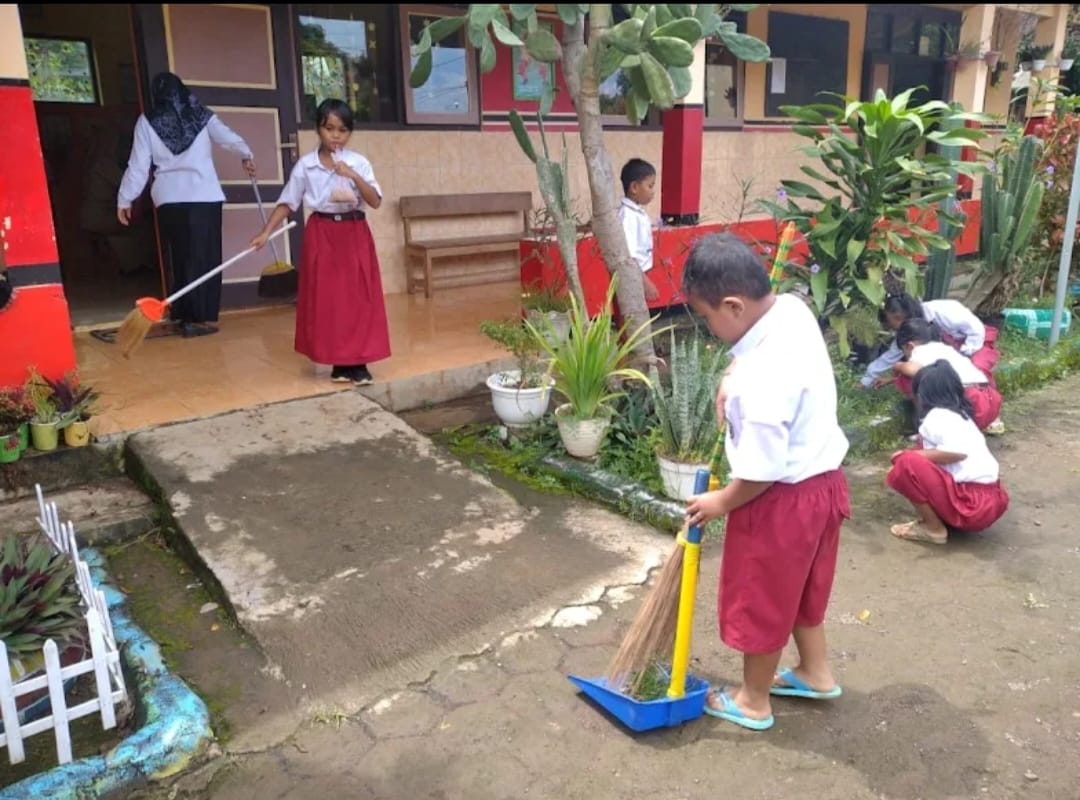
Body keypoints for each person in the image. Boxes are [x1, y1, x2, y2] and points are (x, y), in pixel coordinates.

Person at [682, 232, 851, 732]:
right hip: (824, 486)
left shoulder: (760, 384)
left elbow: (760, 472)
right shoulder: (790, 310)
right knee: (801, 589)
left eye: (707, 317)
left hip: (780, 502)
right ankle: (815, 671)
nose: (709, 328)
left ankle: (753, 700)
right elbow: (753, 350)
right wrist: (730, 374)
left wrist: (720, 501)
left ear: (734, 305)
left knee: (761, 596)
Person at [249, 98, 390, 386]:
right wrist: (265, 232)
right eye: (329, 128)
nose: (335, 136)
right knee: (330, 299)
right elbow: (288, 202)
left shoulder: (358, 162)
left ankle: (359, 362)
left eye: (342, 130)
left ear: (349, 133)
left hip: (354, 231)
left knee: (358, 297)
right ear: (318, 129)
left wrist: (352, 175)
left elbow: (375, 201)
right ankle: (339, 363)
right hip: (322, 233)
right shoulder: (306, 166)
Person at [117, 71, 256, 338]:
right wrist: (246, 153)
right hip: (204, 197)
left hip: (169, 200)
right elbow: (228, 138)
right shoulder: (201, 115)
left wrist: (125, 198)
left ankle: (182, 313)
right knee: (204, 258)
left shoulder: (147, 121)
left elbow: (138, 166)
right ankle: (199, 318)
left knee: (180, 257)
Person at [885, 360, 1009, 545]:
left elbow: (957, 452)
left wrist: (907, 457)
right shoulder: (960, 415)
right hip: (991, 500)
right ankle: (943, 517)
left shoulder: (937, 416)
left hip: (972, 504)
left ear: (922, 394)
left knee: (906, 463)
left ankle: (933, 528)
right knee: (912, 457)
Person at [858, 293, 1000, 391]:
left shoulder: (940, 310)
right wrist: (866, 381)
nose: (892, 327)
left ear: (899, 316)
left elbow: (975, 328)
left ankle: (989, 406)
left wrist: (967, 352)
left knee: (977, 369)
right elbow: (889, 357)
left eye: (891, 322)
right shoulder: (909, 330)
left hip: (976, 341)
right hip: (952, 349)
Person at [894, 319, 1003, 433]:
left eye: (903, 351)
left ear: (910, 346)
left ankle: (925, 426)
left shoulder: (919, 351)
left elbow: (912, 370)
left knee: (906, 378)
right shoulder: (945, 348)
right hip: (989, 401)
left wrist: (897, 366)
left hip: (971, 404)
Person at [617, 158, 661, 303]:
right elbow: (629, 256)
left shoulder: (637, 212)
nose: (653, 192)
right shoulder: (628, 216)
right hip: (633, 277)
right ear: (634, 187)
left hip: (640, 274)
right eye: (650, 186)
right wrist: (645, 283)